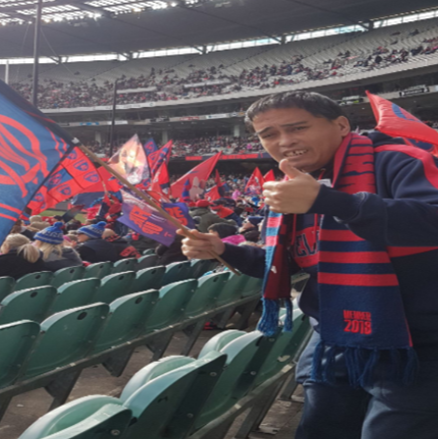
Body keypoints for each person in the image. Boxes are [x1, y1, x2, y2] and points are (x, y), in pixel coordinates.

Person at [179, 91, 438, 439]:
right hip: (336, 336)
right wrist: (224, 250)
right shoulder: (288, 188)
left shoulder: (398, 160)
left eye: (297, 127)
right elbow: (294, 261)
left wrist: (331, 201)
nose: (285, 142)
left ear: (342, 125)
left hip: (418, 345)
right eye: (269, 134)